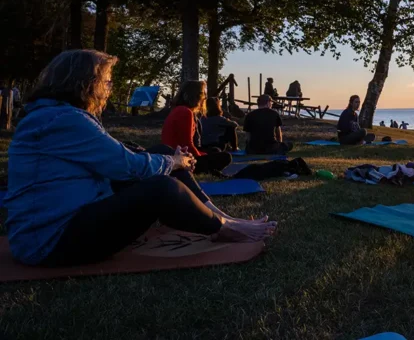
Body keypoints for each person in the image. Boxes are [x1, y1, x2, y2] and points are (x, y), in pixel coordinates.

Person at [3, 50, 276, 267]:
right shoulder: (63, 120)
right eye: (106, 80)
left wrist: (169, 159)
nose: (109, 87)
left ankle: (221, 218)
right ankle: (221, 227)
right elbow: (127, 167)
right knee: (161, 186)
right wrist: (175, 163)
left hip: (63, 221)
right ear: (86, 84)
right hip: (50, 242)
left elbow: (116, 157)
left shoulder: (56, 115)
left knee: (162, 153)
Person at [162, 82, 233, 174]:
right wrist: (200, 155)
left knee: (215, 150)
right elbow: (187, 144)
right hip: (180, 159)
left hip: (176, 155)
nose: (205, 97)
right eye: (203, 93)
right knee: (225, 157)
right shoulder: (185, 112)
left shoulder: (179, 109)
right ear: (196, 96)